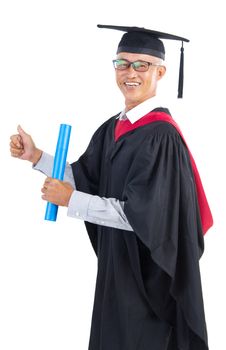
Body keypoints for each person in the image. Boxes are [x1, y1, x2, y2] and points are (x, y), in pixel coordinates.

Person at [10, 24, 213, 350]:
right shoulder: (112, 128)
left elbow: (138, 214)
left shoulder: (162, 137)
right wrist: (36, 156)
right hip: (117, 268)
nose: (129, 73)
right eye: (121, 63)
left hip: (148, 277)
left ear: (160, 72)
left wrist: (72, 200)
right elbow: (86, 178)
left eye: (141, 64)